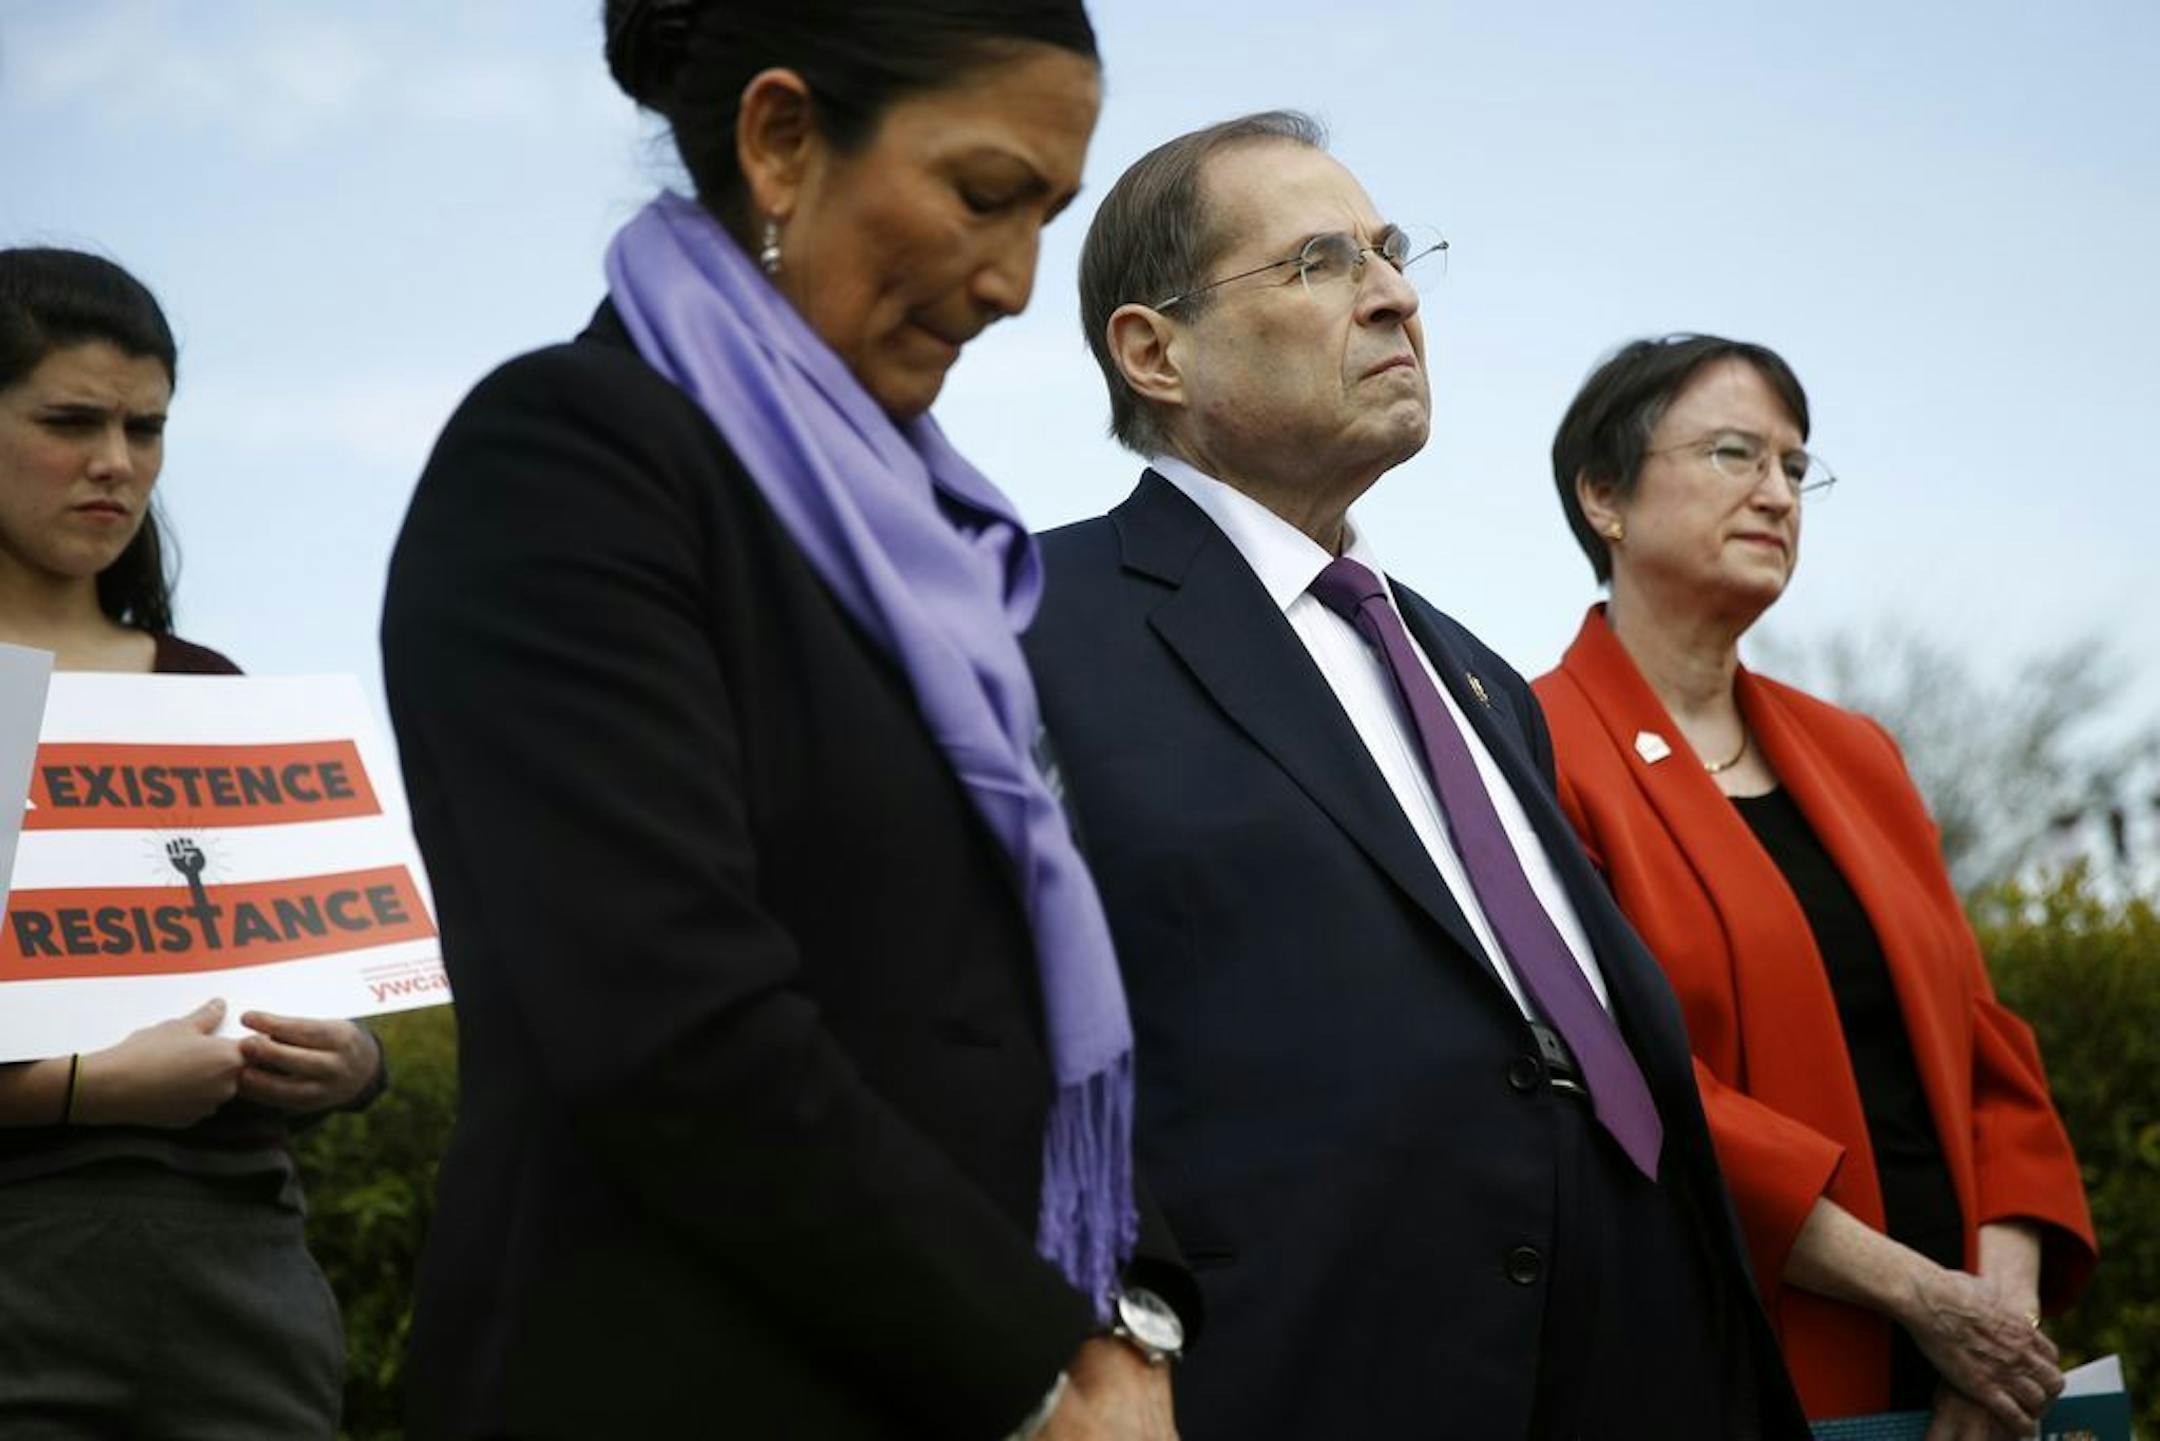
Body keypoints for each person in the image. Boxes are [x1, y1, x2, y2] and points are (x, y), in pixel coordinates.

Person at [381, 3, 1195, 1437]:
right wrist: (1033, 1371)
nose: (1015, 283)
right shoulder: (570, 461)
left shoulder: (935, 553)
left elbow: (1033, 999)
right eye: (986, 196)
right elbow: (676, 1032)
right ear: (781, 141)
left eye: (1049, 216)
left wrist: (1129, 1321)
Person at [1022, 113, 1808, 1440]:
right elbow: (984, 1023)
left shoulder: (1479, 677)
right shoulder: (1030, 621)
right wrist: (1095, 1341)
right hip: (1300, 1369)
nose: (1396, 295)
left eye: (1393, 255)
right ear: (1155, 350)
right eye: (1322, 263)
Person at [1531, 333, 2095, 1434]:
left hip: (1960, 1382)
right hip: (1728, 1371)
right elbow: (1628, 1084)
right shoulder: (1535, 746)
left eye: (1796, 467)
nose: (1777, 493)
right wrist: (1916, 1293)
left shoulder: (1859, 755)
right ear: (1604, 496)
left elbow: (1994, 1060)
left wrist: (1998, 1332)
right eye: (1736, 453)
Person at [0, 246, 387, 1437]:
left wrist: (350, 1062)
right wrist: (86, 1088)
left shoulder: (212, 689)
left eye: (147, 428)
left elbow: (324, 983)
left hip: (243, 1279)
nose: (116, 464)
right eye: (72, 421)